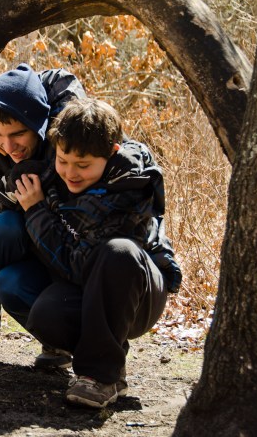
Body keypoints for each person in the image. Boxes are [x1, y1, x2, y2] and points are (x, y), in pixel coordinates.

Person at [9, 98, 182, 408]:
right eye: (63, 160)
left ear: (111, 153)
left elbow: (77, 265)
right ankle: (111, 359)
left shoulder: (132, 185)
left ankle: (100, 378)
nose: (70, 173)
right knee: (47, 315)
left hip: (139, 295)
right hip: (90, 290)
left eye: (84, 165)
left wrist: (35, 211)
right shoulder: (52, 176)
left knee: (118, 251)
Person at [0, 63, 86, 369]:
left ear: (39, 124)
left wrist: (37, 199)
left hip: (68, 243)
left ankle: (59, 337)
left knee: (16, 279)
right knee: (0, 233)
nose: (9, 146)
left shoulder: (64, 137)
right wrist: (23, 191)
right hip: (24, 236)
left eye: (18, 134)